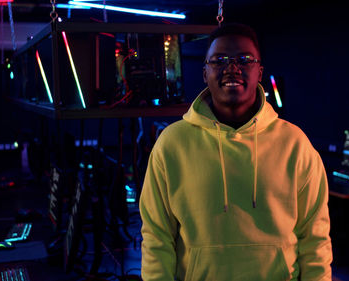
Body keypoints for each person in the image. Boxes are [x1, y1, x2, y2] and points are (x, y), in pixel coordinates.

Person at [140, 23, 332, 281]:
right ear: (204, 72)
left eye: (244, 59)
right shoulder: (172, 143)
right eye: (220, 60)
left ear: (260, 71)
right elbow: (156, 235)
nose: (232, 68)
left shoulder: (295, 144)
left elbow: (315, 238)